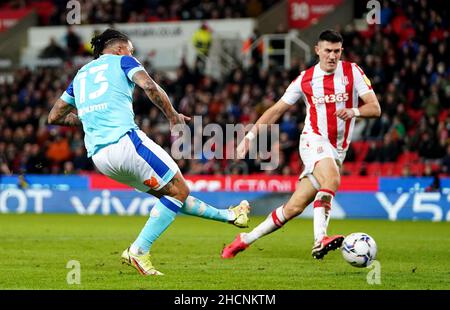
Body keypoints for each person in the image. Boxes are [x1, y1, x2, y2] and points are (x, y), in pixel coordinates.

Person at [48, 29, 250, 276]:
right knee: (179, 190)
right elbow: (149, 86)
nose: (132, 53)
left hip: (101, 159)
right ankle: (138, 250)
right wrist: (173, 116)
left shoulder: (80, 75)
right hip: (125, 143)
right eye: (131, 49)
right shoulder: (123, 60)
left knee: (171, 195)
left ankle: (231, 215)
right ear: (121, 48)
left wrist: (91, 119)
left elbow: (54, 116)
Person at [221, 29, 381, 260]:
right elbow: (276, 110)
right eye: (327, 50)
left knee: (294, 208)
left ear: (341, 51)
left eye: (336, 51)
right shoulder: (305, 79)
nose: (332, 56)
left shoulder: (352, 72)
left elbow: (375, 108)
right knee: (332, 180)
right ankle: (319, 240)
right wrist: (249, 137)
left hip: (337, 150)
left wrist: (354, 110)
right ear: (318, 50)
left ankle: (243, 241)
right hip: (313, 139)